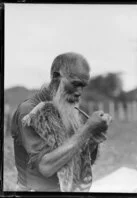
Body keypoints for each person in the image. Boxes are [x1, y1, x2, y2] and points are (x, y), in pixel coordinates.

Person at [11, 52, 112, 192]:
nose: (79, 92)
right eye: (75, 84)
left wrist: (93, 139)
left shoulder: (68, 109)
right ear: (56, 77)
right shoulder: (29, 111)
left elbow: (76, 158)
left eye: (83, 86)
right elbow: (46, 168)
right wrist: (87, 130)